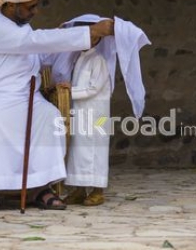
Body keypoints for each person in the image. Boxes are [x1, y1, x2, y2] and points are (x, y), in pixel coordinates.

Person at [0, 0, 114, 212]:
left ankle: (41, 188)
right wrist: (87, 32)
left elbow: (40, 54)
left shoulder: (22, 29)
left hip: (26, 98)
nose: (35, 11)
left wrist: (71, 38)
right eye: (30, 7)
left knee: (50, 117)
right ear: (10, 6)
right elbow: (34, 41)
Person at [53, 14, 150, 206]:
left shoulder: (99, 60)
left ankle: (98, 191)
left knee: (95, 150)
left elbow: (93, 89)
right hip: (80, 111)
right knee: (78, 151)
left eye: (91, 36)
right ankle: (79, 189)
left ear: (98, 39)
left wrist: (69, 91)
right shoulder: (79, 58)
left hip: (96, 113)